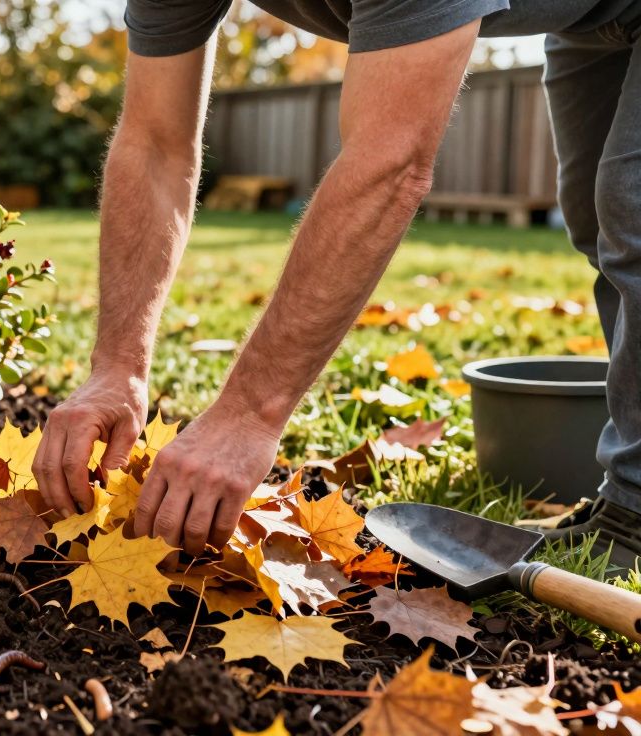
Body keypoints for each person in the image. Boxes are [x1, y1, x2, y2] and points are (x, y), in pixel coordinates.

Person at [32, 0, 641, 567]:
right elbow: (154, 143)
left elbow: (391, 160)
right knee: (597, 218)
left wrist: (247, 413)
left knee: (633, 212)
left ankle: (634, 514)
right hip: (588, 20)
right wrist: (117, 367)